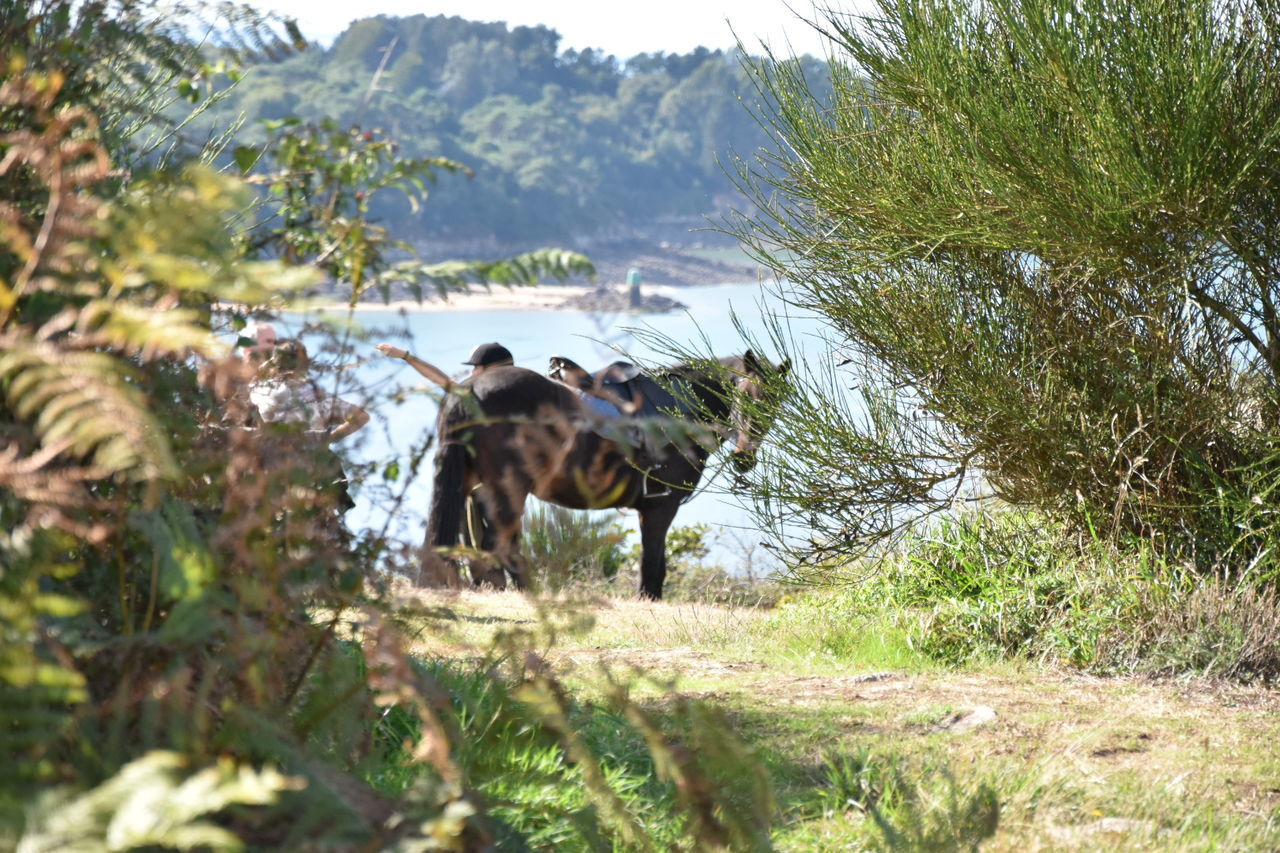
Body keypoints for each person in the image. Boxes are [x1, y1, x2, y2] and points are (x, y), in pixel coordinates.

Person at [250, 338, 369, 511]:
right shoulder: (317, 395)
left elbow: (253, 380)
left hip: (273, 469)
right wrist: (329, 438)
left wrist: (269, 364)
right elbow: (361, 417)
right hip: (312, 473)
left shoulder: (260, 391)